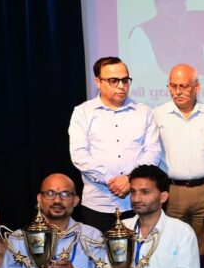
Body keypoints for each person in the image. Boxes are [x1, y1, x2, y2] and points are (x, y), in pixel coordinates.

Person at [68, 56, 162, 235]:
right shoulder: (83, 112)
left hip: (136, 202)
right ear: (98, 82)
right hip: (98, 203)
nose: (121, 86)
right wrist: (111, 180)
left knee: (139, 251)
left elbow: (153, 152)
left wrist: (129, 179)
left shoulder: (144, 112)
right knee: (97, 251)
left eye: (125, 80)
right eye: (113, 80)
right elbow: (79, 154)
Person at [155, 64, 204, 251]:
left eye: (184, 86)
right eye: (173, 86)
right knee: (172, 246)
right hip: (172, 192)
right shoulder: (157, 115)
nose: (178, 91)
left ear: (197, 87)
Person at [128, 0, 204, 77]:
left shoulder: (192, 30)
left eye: (180, 1)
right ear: (156, 4)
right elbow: (147, 74)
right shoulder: (141, 32)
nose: (175, 6)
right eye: (167, 1)